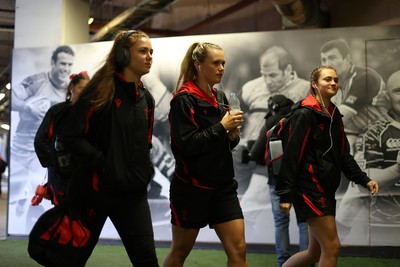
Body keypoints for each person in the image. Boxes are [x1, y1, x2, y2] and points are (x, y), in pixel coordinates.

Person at [62, 30, 159, 266]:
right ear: (124, 55)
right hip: (95, 192)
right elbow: (71, 137)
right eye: (142, 51)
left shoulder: (146, 99)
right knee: (72, 259)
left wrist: (144, 171)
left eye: (151, 52)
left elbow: (145, 142)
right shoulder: (99, 92)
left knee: (147, 260)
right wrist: (102, 162)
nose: (149, 57)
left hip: (132, 195)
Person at [276, 66, 379, 267]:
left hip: (325, 188)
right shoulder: (304, 114)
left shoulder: (334, 113)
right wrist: (285, 194)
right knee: (332, 248)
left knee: (314, 253)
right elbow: (291, 156)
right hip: (309, 189)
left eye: (335, 79)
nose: (333, 83)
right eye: (327, 79)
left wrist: (364, 179)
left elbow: (343, 156)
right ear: (314, 84)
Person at [163, 42, 247, 267]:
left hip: (223, 188)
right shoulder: (184, 99)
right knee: (180, 252)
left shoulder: (220, 97)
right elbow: (186, 145)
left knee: (238, 249)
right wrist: (222, 127)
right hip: (192, 188)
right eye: (215, 63)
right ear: (198, 65)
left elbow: (225, 142)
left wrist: (232, 136)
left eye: (223, 63)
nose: (221, 68)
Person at [237, 46, 309, 239]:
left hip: (277, 156)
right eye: (264, 74)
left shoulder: (305, 90)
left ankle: (240, 250)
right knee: (234, 203)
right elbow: (233, 107)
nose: (267, 81)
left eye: (273, 75)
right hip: (247, 152)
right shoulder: (251, 87)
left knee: (250, 207)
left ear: (288, 69)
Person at [9, 45, 75, 216]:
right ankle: (22, 198)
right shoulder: (38, 81)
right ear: (53, 63)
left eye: (69, 65)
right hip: (23, 145)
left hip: (48, 148)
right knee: (16, 193)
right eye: (62, 64)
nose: (66, 69)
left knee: (43, 196)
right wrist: (27, 108)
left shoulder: (70, 91)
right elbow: (13, 98)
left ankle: (33, 205)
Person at [336, 69, 400, 244]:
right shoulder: (374, 132)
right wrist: (398, 168)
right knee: (353, 196)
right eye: (398, 91)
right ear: (387, 95)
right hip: (388, 227)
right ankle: (333, 246)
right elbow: (364, 185)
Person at [250, 95, 311, 267]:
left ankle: (283, 263)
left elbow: (256, 153)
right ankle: (306, 261)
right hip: (301, 178)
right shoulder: (301, 117)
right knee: (304, 222)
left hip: (277, 180)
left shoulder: (271, 122)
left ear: (273, 107)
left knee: (281, 223)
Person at [33, 71, 90, 206]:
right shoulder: (57, 111)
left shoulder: (92, 113)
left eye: (89, 89)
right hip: (60, 179)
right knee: (62, 213)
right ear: (72, 88)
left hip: (84, 177)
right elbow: (40, 140)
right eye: (82, 88)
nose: (86, 92)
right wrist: (53, 161)